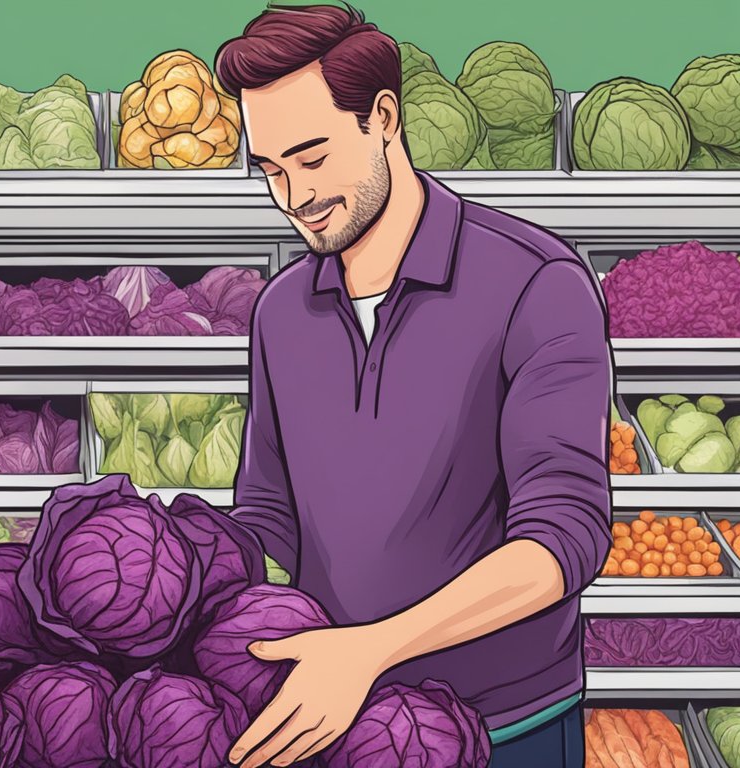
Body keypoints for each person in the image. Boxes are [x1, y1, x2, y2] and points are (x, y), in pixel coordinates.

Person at [214, 6, 612, 767]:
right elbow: (269, 515)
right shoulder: (281, 312)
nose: (293, 196)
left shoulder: (538, 284)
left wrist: (373, 650)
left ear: (384, 118)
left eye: (312, 156)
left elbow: (563, 538)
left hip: (507, 726)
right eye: (270, 169)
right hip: (333, 721)